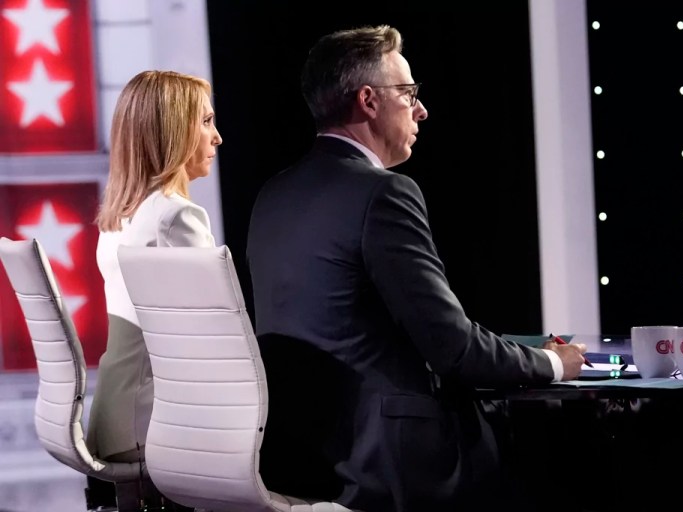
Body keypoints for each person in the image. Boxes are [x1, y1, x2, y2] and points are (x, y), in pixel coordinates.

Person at [245, 25, 586, 512]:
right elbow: (454, 348)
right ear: (368, 100)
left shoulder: (271, 196)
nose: (421, 109)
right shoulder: (384, 193)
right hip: (390, 466)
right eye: (407, 94)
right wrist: (555, 364)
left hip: (297, 459)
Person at [87, 70, 222, 463]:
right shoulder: (176, 217)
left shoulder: (117, 219)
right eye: (206, 122)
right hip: (153, 425)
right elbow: (219, 339)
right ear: (173, 131)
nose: (217, 137)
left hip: (112, 418)